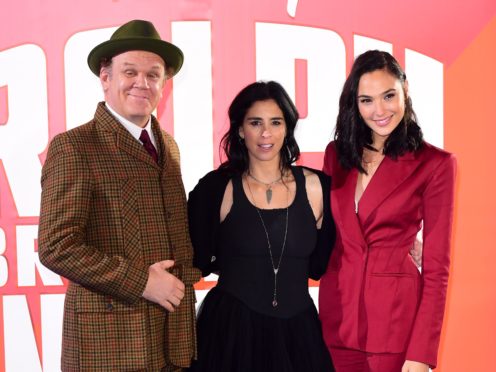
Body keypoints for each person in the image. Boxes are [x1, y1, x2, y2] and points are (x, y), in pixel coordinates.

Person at [38, 20, 200, 371]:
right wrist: (142, 282)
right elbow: (57, 245)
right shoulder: (74, 147)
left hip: (173, 343)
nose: (142, 83)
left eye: (153, 75)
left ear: (164, 84)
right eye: (130, 72)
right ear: (106, 77)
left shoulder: (168, 147)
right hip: (110, 347)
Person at [318, 50, 456, 372]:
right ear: (354, 103)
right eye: (367, 100)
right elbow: (328, 232)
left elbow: (437, 271)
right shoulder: (336, 155)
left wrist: (422, 353)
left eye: (389, 96)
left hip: (395, 328)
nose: (379, 110)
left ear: (405, 90)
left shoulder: (435, 164)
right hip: (336, 322)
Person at [187, 81, 336, 371]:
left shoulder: (319, 187)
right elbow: (197, 257)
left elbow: (329, 258)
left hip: (299, 336)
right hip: (229, 335)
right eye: (255, 122)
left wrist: (404, 242)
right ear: (241, 130)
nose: (266, 133)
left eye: (275, 122)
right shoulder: (215, 188)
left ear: (287, 128)